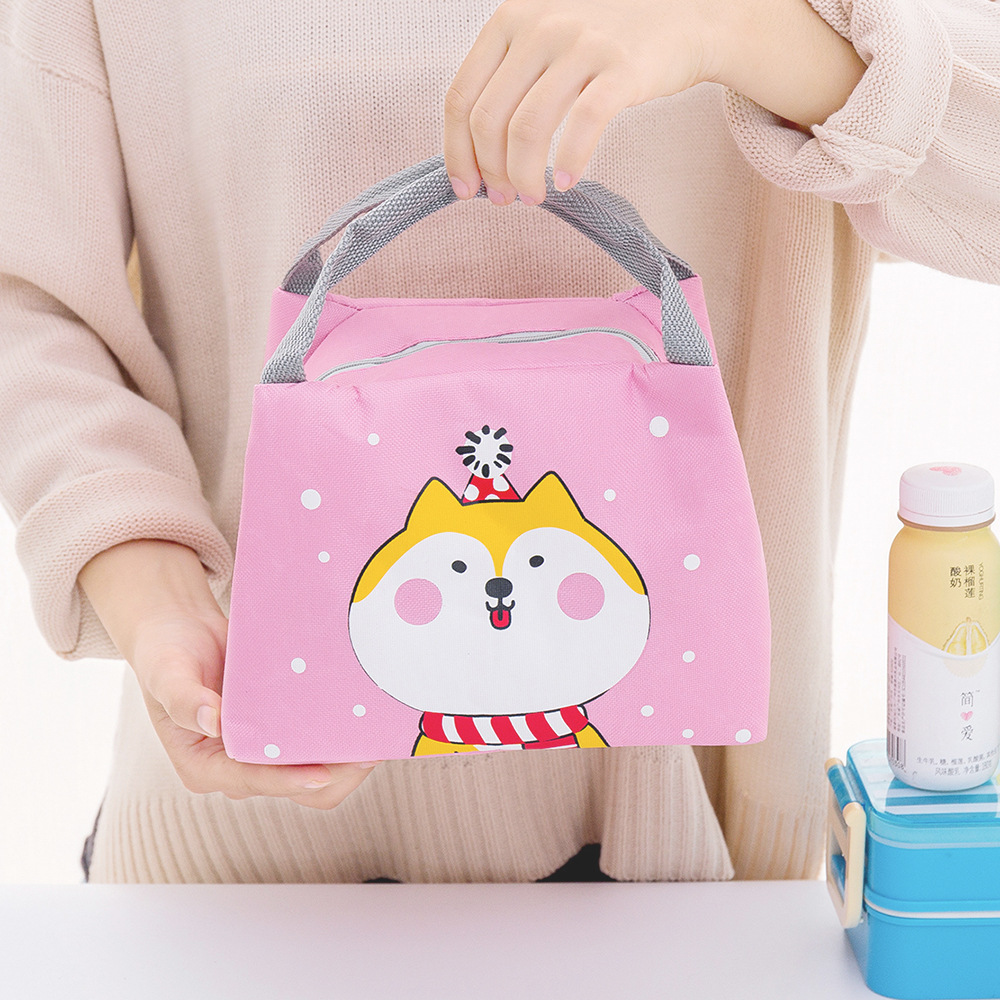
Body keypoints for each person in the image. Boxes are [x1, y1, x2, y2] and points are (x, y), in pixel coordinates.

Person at [0, 0, 996, 884]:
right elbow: (29, 300)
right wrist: (149, 581)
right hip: (237, 857)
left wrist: (734, 23)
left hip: (699, 870)